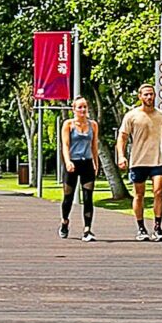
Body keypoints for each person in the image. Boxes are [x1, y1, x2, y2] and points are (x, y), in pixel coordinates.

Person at [117, 82, 162, 241]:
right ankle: (141, 228)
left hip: (157, 160)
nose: (149, 97)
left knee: (158, 192)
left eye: (151, 94)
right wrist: (121, 156)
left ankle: (158, 227)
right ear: (140, 97)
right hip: (138, 161)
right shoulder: (131, 115)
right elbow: (122, 137)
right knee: (139, 195)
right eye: (146, 94)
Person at [57, 97, 100, 241]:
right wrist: (68, 161)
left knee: (88, 197)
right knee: (68, 197)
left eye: (85, 107)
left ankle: (87, 229)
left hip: (86, 162)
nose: (83, 110)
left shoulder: (93, 125)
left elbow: (94, 146)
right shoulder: (68, 124)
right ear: (73, 109)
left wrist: (96, 163)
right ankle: (65, 221)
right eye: (80, 107)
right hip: (72, 164)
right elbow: (65, 145)